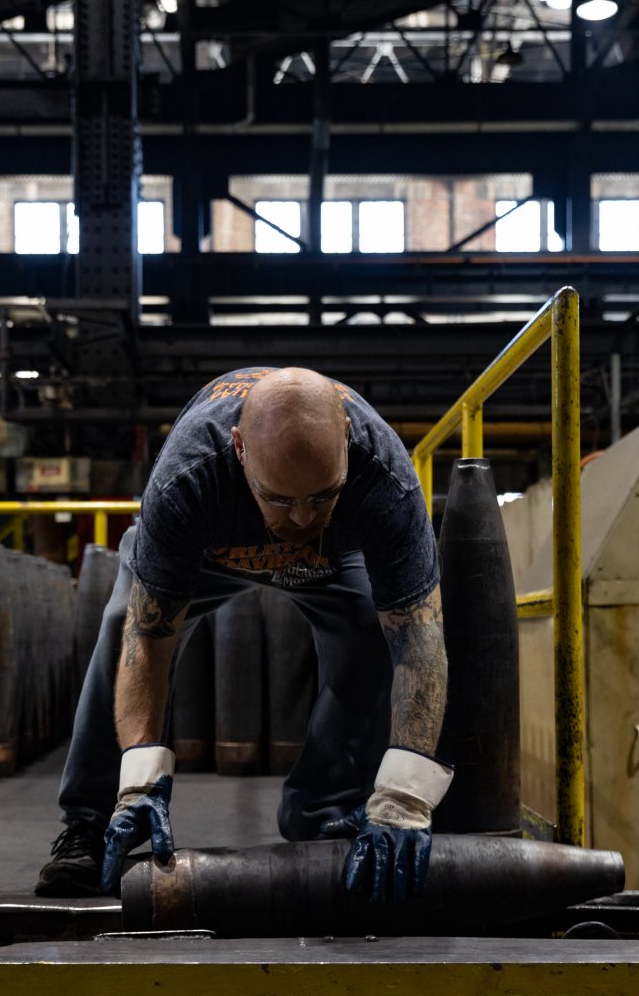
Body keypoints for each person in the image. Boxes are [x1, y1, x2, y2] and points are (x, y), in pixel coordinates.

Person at [35, 366, 452, 903]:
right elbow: (148, 641)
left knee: (372, 631)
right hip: (208, 550)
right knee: (121, 627)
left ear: (347, 440)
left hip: (333, 556)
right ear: (238, 449)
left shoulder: (386, 480)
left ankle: (322, 808)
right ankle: (91, 824)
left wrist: (406, 796)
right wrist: (140, 777)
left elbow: (421, 642)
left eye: (322, 495)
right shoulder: (187, 475)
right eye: (279, 499)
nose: (301, 518)